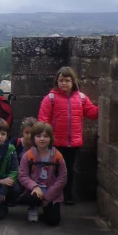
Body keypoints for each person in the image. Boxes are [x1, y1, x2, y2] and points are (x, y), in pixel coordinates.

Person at [37, 66, 98, 205]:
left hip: (74, 142)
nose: (63, 83)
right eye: (61, 80)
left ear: (73, 81)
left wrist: (106, 105)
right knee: (55, 170)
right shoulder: (50, 98)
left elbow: (92, 113)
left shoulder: (81, 98)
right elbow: (43, 119)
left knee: (69, 170)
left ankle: (68, 196)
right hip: (56, 142)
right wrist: (46, 138)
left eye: (67, 80)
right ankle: (54, 195)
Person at [16, 122, 67, 225]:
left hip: (50, 190)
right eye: (38, 136)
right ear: (33, 138)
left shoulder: (57, 156)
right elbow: (22, 175)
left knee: (53, 221)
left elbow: (62, 178)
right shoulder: (28, 155)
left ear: (51, 138)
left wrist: (48, 197)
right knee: (31, 196)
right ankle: (33, 207)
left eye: (45, 136)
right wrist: (34, 186)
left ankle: (46, 208)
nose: (42, 139)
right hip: (34, 191)